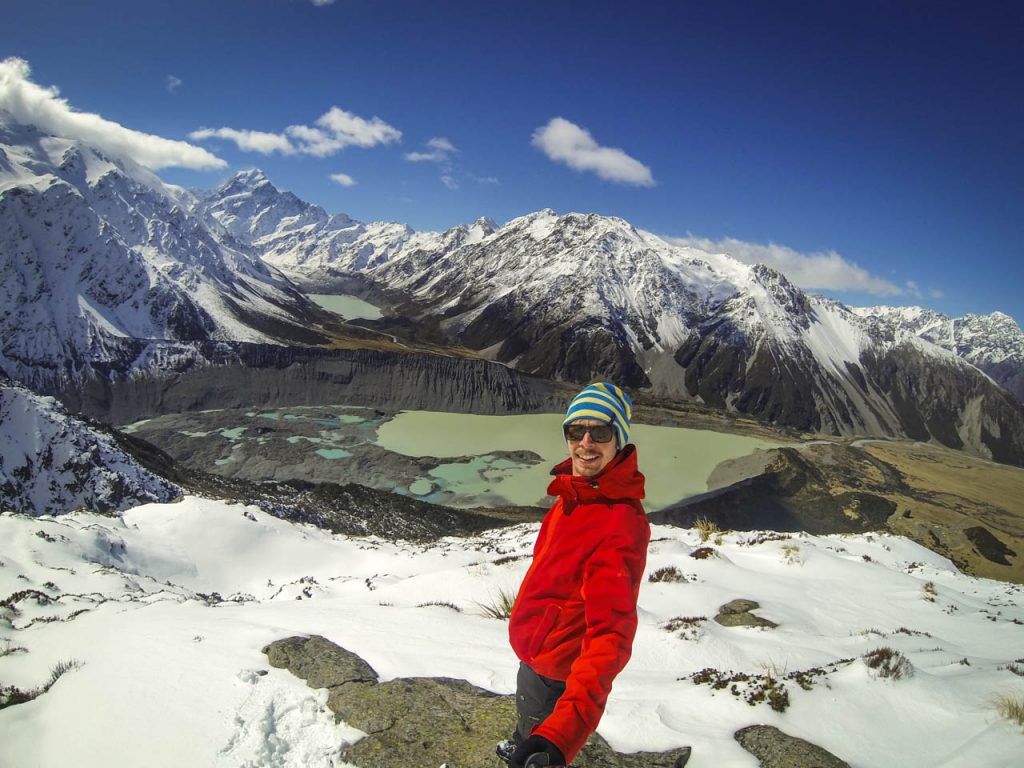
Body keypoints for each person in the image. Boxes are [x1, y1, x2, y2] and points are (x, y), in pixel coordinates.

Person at [498, 382, 651, 767]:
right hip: (538, 653)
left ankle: (530, 745)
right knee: (527, 713)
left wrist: (560, 736)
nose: (585, 443)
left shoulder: (620, 523)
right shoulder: (575, 494)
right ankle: (521, 739)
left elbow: (610, 636)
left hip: (556, 669)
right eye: (574, 431)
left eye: (600, 432)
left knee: (538, 730)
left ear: (619, 439)